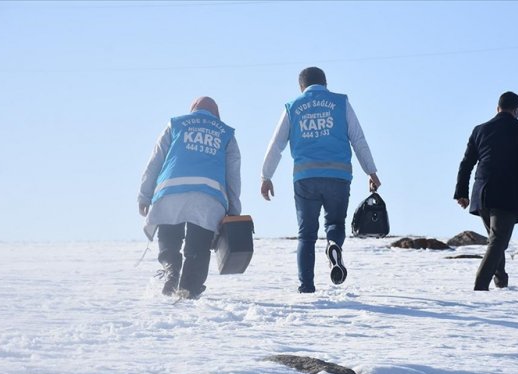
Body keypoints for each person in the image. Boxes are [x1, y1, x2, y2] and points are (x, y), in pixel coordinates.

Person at [261, 67, 381, 293]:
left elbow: (276, 144)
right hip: (339, 176)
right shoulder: (340, 102)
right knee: (335, 223)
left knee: (306, 234)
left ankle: (306, 287)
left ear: (301, 87)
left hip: (306, 178)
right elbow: (358, 139)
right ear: (325, 83)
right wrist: (371, 171)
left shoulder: (293, 107)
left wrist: (266, 176)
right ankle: (333, 244)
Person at [138, 96, 241, 298]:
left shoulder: (176, 124)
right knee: (198, 246)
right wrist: (234, 211)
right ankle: (188, 288)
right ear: (216, 113)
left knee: (169, 236)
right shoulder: (226, 133)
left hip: (170, 192)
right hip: (208, 197)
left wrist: (144, 194)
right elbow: (233, 174)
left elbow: (155, 160)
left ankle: (171, 271)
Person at [454, 91, 518, 291]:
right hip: (507, 193)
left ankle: (501, 280)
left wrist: (461, 192)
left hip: (481, 194)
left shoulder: (480, 130)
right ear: (516, 110)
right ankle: (480, 288)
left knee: (497, 240)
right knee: (497, 242)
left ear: (497, 108)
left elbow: (466, 163)